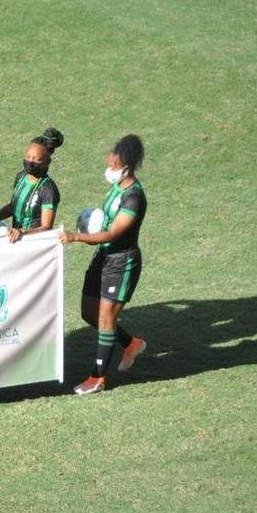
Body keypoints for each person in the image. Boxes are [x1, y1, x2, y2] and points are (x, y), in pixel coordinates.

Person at [60, 134, 149, 394]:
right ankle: (131, 343)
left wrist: (76, 237)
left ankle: (97, 378)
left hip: (121, 263)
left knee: (106, 317)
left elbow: (113, 233)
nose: (109, 170)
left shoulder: (134, 197)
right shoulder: (117, 188)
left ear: (126, 168)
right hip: (103, 257)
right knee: (89, 313)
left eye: (113, 166)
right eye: (108, 164)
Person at [0, 128, 63, 242]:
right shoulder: (21, 176)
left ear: (47, 162)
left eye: (36, 159)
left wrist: (23, 232)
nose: (30, 162)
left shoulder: (48, 189)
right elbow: (13, 206)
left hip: (33, 242)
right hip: (15, 238)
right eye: (28, 157)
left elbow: (46, 227)